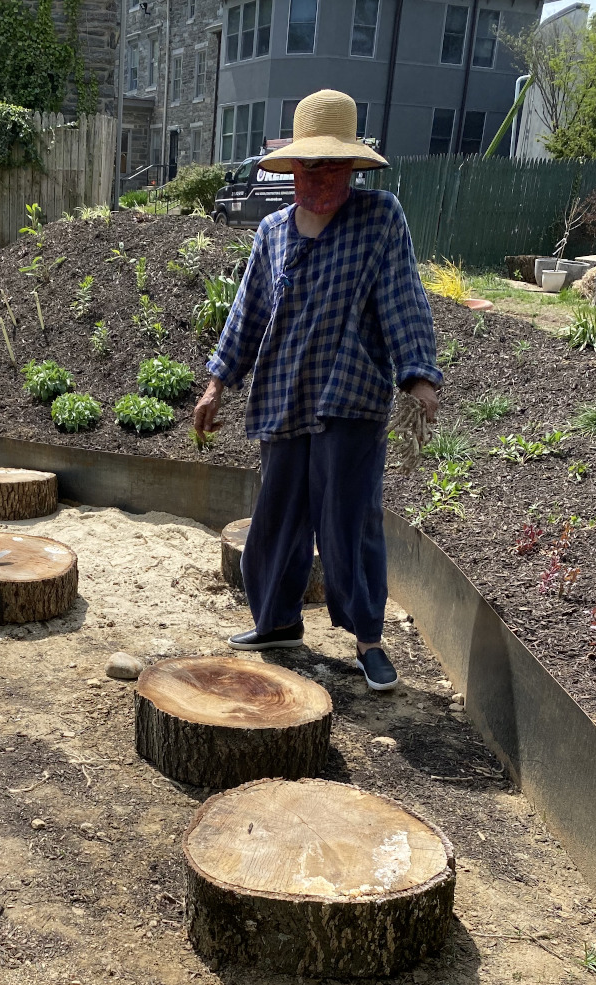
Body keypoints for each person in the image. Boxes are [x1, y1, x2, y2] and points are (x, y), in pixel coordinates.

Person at [193, 89, 441, 691]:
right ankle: (276, 622)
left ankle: (368, 640)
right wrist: (216, 384)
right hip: (283, 394)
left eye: (334, 165)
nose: (321, 176)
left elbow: (402, 298)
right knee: (275, 518)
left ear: (353, 168)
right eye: (311, 165)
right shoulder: (274, 231)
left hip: (350, 398)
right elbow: (247, 312)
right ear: (294, 168)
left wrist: (418, 375)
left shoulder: (379, 218)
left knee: (348, 521)